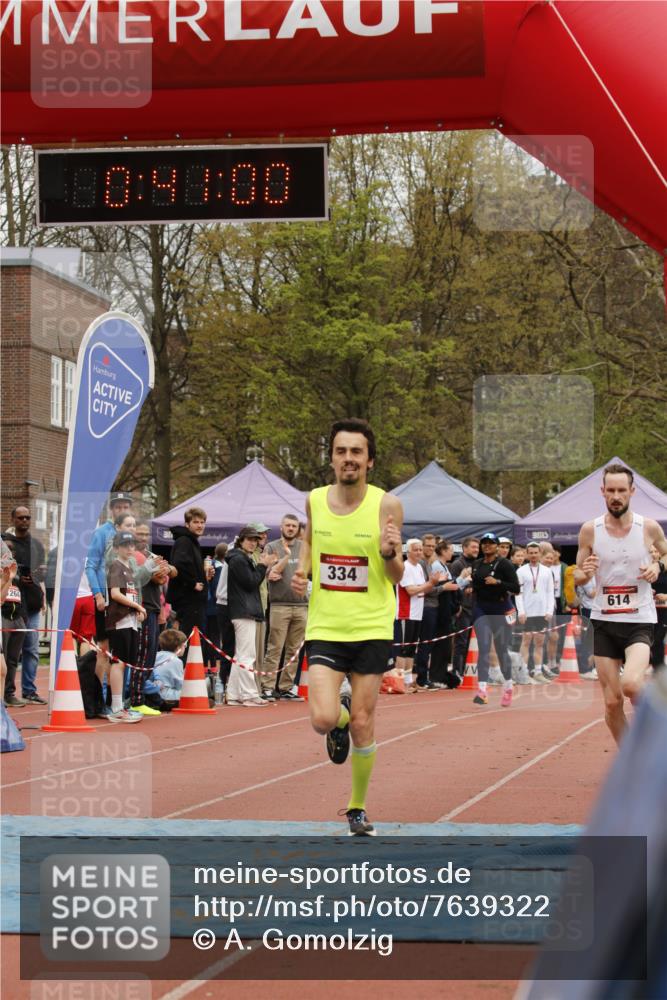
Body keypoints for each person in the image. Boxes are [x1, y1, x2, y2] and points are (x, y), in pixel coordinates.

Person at [291, 417, 404, 836]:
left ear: (369, 461)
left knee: (363, 721)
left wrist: (390, 553)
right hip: (326, 625)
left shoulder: (386, 505)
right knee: (323, 717)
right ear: (332, 458)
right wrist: (302, 571)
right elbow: (308, 541)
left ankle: (356, 807)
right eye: (341, 451)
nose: (348, 459)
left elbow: (395, 574)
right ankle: (335, 727)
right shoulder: (315, 500)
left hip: (372, 626)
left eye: (357, 452)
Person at [574, 463, 667, 745]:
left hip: (639, 619)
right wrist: (585, 573)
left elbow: (666, 554)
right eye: (610, 490)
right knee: (612, 703)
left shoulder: (648, 527)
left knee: (631, 684)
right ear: (602, 491)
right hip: (604, 620)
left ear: (632, 491)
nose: (616, 496)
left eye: (621, 490)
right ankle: (631, 759)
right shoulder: (590, 530)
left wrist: (658, 566)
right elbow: (577, 575)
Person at [85, 491, 134, 692]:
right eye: (118, 507)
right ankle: (99, 695)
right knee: (104, 650)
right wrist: (98, 594)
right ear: (111, 509)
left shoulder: (130, 534)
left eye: (125, 507)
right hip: (106, 599)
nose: (121, 510)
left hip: (123, 600)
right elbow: (91, 565)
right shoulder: (102, 533)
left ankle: (117, 696)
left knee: (122, 653)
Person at [225, 526, 278, 707]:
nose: (253, 543)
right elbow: (251, 582)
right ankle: (248, 694)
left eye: (255, 540)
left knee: (241, 655)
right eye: (250, 539)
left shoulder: (239, 558)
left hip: (243, 609)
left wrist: (262, 566)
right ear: (241, 540)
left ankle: (233, 694)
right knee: (247, 655)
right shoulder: (239, 559)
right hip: (244, 610)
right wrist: (263, 565)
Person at [2, 506, 47, 704]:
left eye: (28, 517)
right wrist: (19, 578)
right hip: (10, 604)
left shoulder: (37, 545)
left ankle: (29, 690)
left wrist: (38, 577)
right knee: (7, 652)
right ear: (13, 519)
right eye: (20, 517)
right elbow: (7, 572)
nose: (25, 521)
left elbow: (42, 572)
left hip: (33, 603)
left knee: (31, 649)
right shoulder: (5, 541)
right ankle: (7, 693)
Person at [470, 532, 520, 707]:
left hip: (500, 609)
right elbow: (476, 583)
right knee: (483, 647)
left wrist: (498, 582)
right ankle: (482, 690)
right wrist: (471, 588)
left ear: (497, 546)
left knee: (500, 649)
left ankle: (508, 686)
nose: (487, 546)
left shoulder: (505, 564)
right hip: (481, 608)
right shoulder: (476, 564)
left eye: (491, 543)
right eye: (484, 543)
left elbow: (516, 588)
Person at [263, 514, 308, 700]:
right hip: (279, 604)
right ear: (281, 527)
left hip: (302, 605)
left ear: (298, 529)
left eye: (294, 526)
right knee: (275, 648)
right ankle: (267, 686)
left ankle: (286, 687)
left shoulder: (304, 547)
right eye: (288, 525)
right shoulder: (272, 547)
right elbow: (267, 572)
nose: (291, 528)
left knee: (294, 650)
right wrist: (272, 570)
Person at [104, 531, 145, 723]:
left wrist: (137, 609)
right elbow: (115, 594)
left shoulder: (130, 567)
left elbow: (129, 594)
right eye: (125, 544)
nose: (130, 548)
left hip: (130, 620)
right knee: (118, 662)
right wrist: (137, 606)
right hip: (119, 621)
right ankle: (116, 707)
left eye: (132, 544)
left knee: (125, 662)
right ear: (117, 547)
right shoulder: (116, 565)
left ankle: (120, 705)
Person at [395, 539, 441, 690]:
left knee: (411, 648)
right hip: (405, 613)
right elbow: (411, 591)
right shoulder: (405, 567)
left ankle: (408, 681)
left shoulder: (419, 568)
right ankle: (399, 681)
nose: (419, 552)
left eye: (420, 550)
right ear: (408, 551)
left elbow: (424, 589)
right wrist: (430, 584)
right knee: (403, 648)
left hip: (417, 613)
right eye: (416, 550)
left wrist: (433, 584)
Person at [167, 507, 212, 642]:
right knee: (189, 639)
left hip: (193, 600)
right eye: (196, 522)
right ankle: (183, 663)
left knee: (194, 640)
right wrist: (193, 584)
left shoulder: (191, 541)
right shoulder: (184, 541)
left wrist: (204, 576)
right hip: (188, 601)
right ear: (187, 524)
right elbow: (179, 565)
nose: (200, 525)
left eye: (202, 522)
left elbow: (188, 566)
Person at [515, 541, 555, 685]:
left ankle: (538, 672)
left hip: (542, 612)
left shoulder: (546, 571)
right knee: (526, 641)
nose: (533, 555)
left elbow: (551, 592)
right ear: (527, 554)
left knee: (539, 642)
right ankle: (523, 672)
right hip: (527, 612)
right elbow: (517, 593)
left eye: (535, 553)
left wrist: (549, 610)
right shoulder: (520, 571)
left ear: (540, 554)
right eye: (530, 553)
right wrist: (521, 611)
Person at [450, 537, 480, 679]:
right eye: (473, 547)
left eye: (477, 547)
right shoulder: (457, 564)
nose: (476, 550)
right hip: (463, 609)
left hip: (476, 608)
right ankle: (457, 671)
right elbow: (454, 586)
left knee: (472, 642)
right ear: (464, 548)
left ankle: (469, 670)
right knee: (461, 642)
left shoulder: (478, 563)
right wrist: (464, 591)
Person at [151, 628, 188, 708]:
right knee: (193, 691)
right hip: (165, 694)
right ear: (178, 647)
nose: (185, 648)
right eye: (185, 645)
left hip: (152, 694)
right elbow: (180, 685)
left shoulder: (155, 655)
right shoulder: (176, 661)